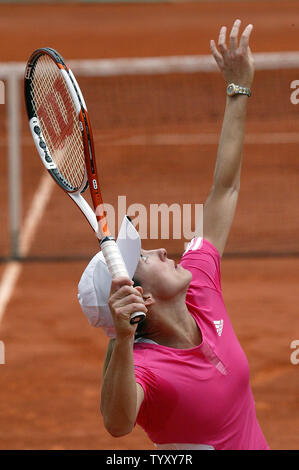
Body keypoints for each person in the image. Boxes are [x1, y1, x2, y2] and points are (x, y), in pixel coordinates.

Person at [78, 19, 270, 450]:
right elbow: (116, 421)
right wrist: (123, 338)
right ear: (141, 298)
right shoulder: (147, 368)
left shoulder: (199, 285)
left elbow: (224, 189)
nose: (164, 249)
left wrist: (238, 90)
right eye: (144, 258)